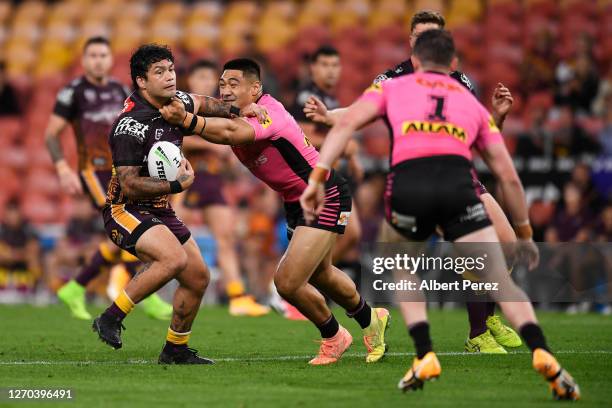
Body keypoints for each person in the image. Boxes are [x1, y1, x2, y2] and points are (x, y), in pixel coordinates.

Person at [300, 29, 580, 400]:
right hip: (459, 185)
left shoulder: (393, 88)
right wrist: (525, 232)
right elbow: (508, 175)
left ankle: (424, 353)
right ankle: (542, 351)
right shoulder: (468, 102)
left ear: (414, 61)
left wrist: (318, 177)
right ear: (452, 64)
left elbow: (349, 122)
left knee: (402, 269)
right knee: (498, 276)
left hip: (409, 185)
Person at [303, 10, 523, 354]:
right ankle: (478, 333)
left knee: (507, 244)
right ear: (410, 41)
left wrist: (497, 116)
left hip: (462, 174)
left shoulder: (460, 81)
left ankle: (489, 315)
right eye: (420, 36)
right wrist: (330, 116)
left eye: (433, 35)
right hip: (420, 179)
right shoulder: (394, 79)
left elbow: (478, 134)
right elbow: (362, 109)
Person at [159, 58, 390, 366]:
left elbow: (230, 133)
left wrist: (187, 121)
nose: (225, 90)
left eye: (234, 84)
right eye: (223, 84)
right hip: (297, 200)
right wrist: (176, 102)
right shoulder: (239, 108)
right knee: (321, 275)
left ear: (256, 89)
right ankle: (372, 318)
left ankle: (334, 336)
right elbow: (209, 106)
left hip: (324, 194)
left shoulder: (271, 113)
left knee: (287, 282)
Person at [92, 44, 265, 364]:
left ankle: (175, 349)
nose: (170, 77)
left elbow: (205, 103)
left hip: (160, 210)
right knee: (172, 259)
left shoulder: (176, 101)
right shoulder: (130, 124)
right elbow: (129, 184)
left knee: (198, 276)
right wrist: (177, 184)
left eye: (170, 69)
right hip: (125, 210)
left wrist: (239, 111)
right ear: (142, 82)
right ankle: (110, 317)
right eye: (160, 72)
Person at [45, 36, 172, 320]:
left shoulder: (119, 89)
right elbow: (50, 134)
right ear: (84, 60)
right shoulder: (73, 91)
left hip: (121, 168)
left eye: (103, 55)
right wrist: (64, 169)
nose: (98, 60)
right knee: (125, 222)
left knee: (125, 232)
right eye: (93, 55)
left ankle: (76, 288)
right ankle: (144, 295)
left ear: (110, 59)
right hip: (92, 169)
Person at [174, 60, 269, 316]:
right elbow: (177, 140)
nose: (207, 83)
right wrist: (215, 146)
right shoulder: (182, 105)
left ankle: (236, 296)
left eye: (211, 79)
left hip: (213, 179)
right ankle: (130, 278)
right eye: (201, 77)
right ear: (191, 82)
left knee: (226, 238)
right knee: (168, 236)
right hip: (185, 176)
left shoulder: (220, 109)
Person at [290, 45, 363, 268]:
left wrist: (351, 158)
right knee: (350, 233)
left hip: (327, 177)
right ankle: (301, 279)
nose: (330, 71)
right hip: (312, 178)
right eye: (324, 65)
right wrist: (345, 147)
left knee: (336, 237)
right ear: (313, 68)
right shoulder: (307, 97)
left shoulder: (328, 99)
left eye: (334, 65)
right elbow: (301, 138)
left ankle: (305, 280)